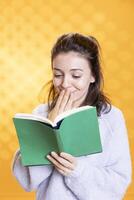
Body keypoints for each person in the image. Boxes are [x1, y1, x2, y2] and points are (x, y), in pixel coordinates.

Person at [12, 33, 132, 200]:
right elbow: (25, 180)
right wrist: (49, 126)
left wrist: (78, 171)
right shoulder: (41, 114)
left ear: (93, 76)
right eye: (58, 75)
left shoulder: (111, 118)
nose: (65, 84)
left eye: (76, 75)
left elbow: (118, 184)